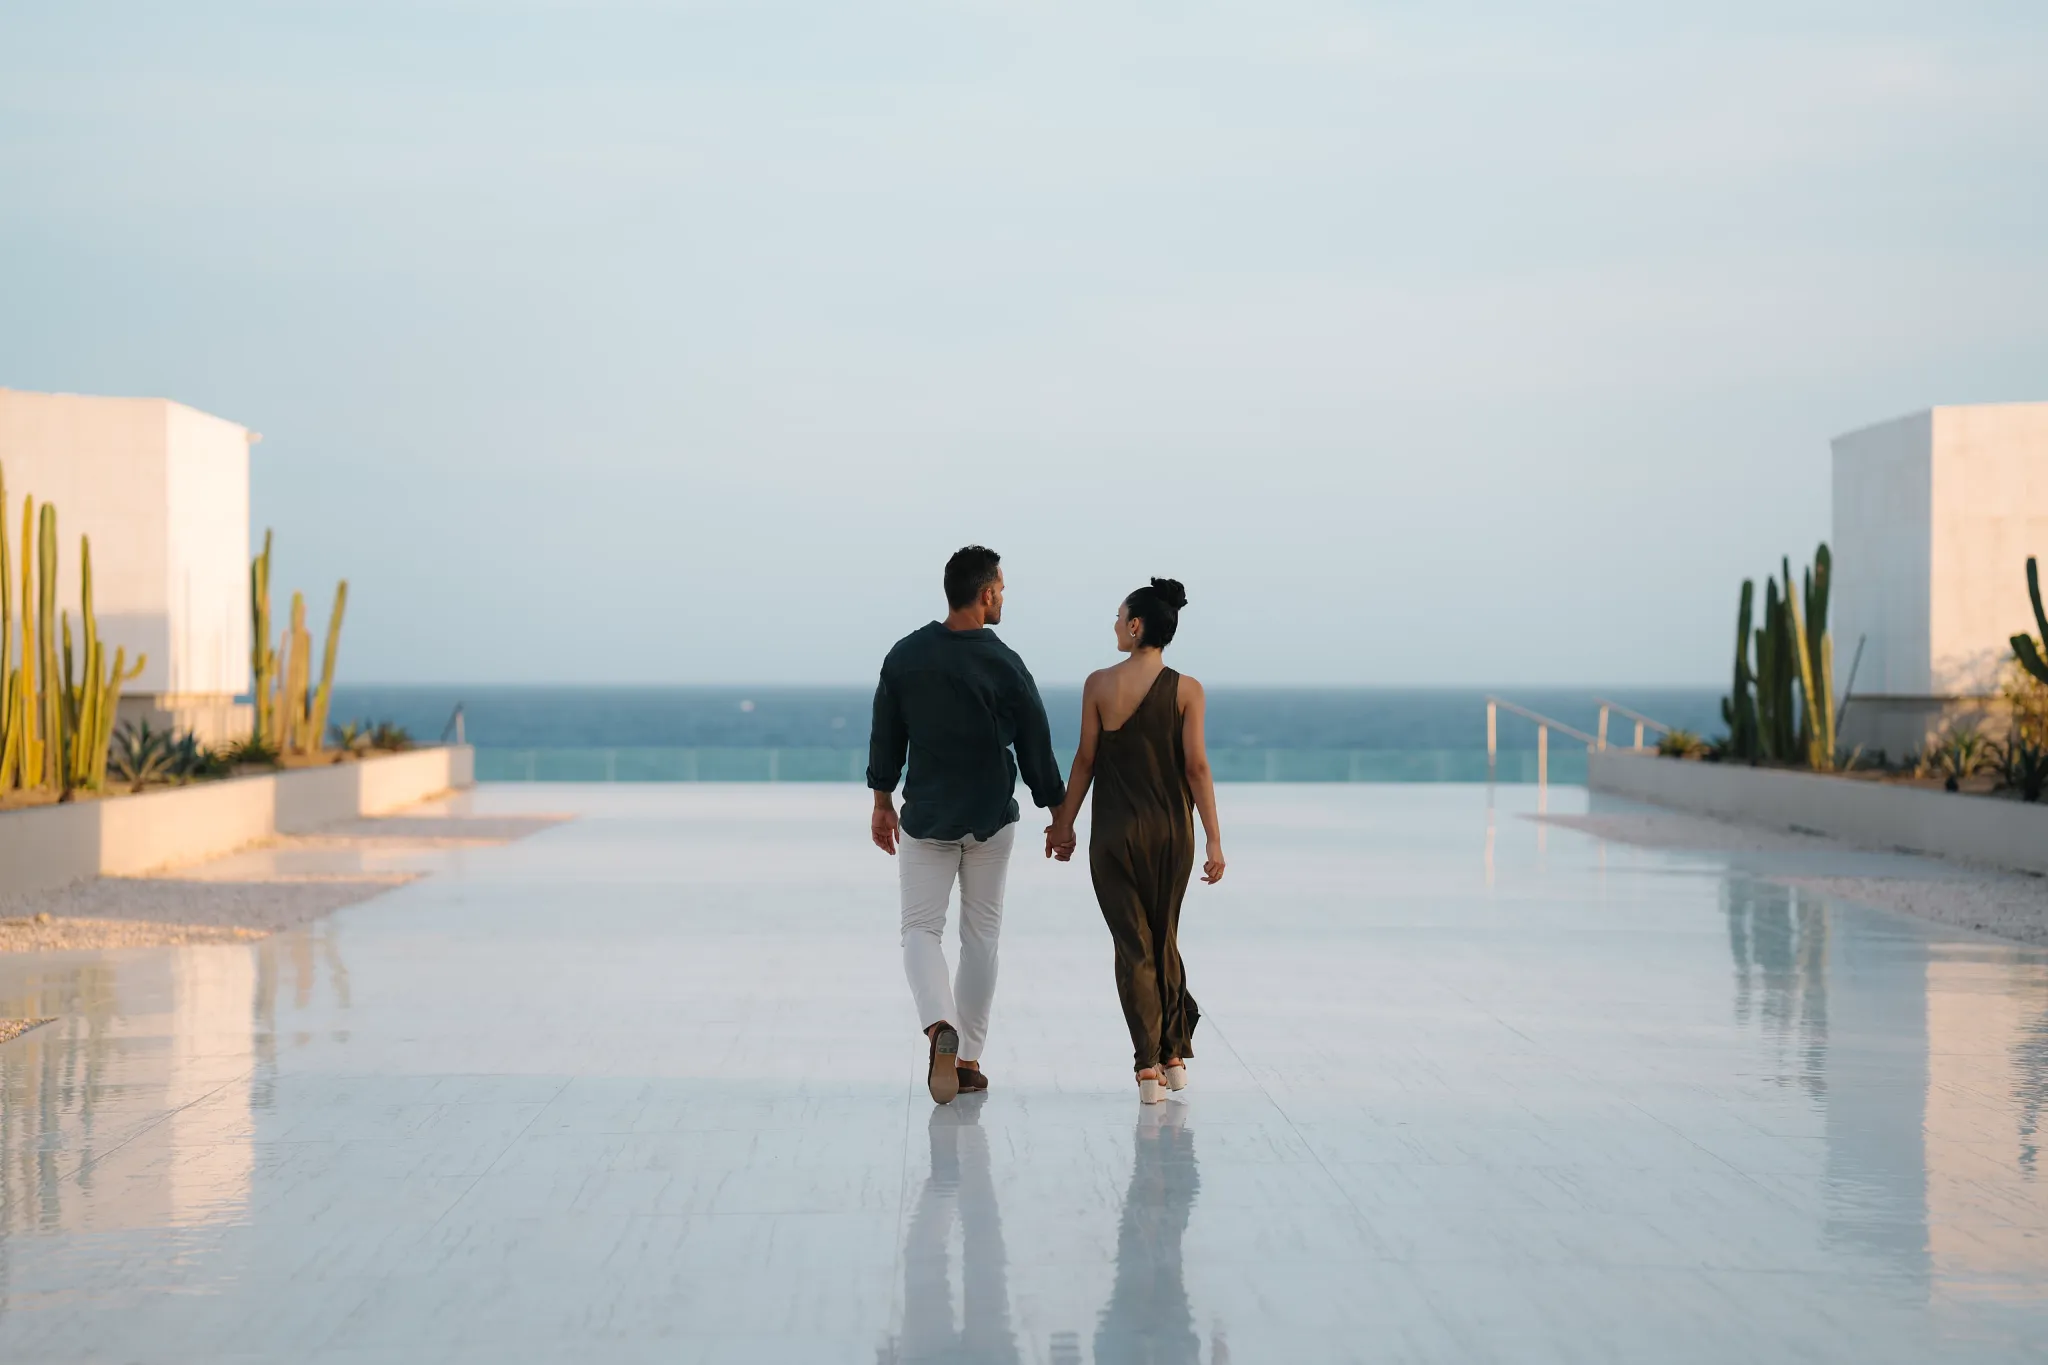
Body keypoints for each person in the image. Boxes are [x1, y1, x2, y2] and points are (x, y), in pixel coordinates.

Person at [869, 545, 1066, 1105]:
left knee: (919, 930)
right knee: (981, 937)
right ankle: (969, 1059)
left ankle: (939, 1028)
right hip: (990, 818)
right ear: (985, 593)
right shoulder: (1005, 663)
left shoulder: (905, 656)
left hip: (927, 816)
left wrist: (882, 800)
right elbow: (1036, 745)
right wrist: (1059, 815)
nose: (1003, 597)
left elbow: (886, 736)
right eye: (1001, 588)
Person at [1045, 578, 1224, 1104]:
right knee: (1163, 937)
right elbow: (1196, 767)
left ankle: (1148, 1065)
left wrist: (1064, 823)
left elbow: (1085, 760)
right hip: (1172, 834)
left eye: (1119, 616)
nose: (1115, 624)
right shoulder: (1188, 690)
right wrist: (1214, 840)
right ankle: (1172, 1055)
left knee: (1134, 944)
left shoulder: (1098, 685)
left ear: (1137, 625)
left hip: (1115, 836)